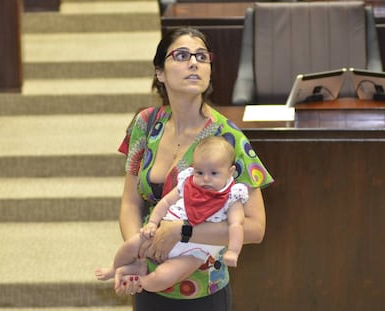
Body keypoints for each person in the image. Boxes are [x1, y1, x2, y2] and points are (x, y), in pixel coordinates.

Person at [114, 27, 273, 311]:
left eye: (202, 56)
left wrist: (184, 231)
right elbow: (130, 202)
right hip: (148, 275)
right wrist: (137, 250)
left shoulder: (228, 138)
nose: (194, 63)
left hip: (203, 289)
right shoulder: (146, 123)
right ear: (160, 73)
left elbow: (255, 228)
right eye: (182, 55)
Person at [95, 136, 248, 292]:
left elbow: (236, 225)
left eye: (214, 173)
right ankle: (116, 268)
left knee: (165, 276)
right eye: (200, 172)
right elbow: (166, 202)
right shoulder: (187, 183)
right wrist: (153, 223)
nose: (205, 179)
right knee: (129, 246)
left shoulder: (232, 196)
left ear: (230, 172)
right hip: (161, 232)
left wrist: (233, 251)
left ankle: (142, 281)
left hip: (195, 251)